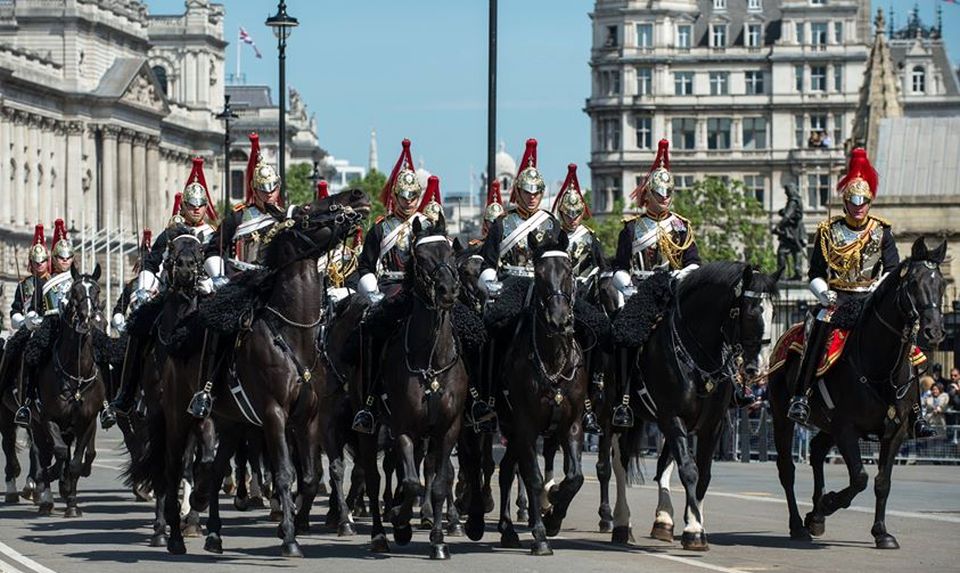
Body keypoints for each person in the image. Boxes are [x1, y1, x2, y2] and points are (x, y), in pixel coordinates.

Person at [787, 148, 935, 438]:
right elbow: (815, 272)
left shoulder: (882, 232)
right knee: (818, 331)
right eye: (853, 201)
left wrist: (876, 291)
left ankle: (917, 412)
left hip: (871, 298)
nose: (858, 206)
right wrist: (822, 293)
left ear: (869, 202)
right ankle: (801, 397)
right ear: (845, 202)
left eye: (863, 201)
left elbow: (893, 270)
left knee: (906, 346)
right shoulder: (828, 231)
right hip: (837, 299)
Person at [609, 139, 739, 428]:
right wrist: (627, 286)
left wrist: (682, 275)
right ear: (648, 194)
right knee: (623, 337)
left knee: (714, 330)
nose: (665, 197)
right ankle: (623, 400)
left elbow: (694, 261)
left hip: (675, 292)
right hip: (641, 294)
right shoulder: (632, 228)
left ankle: (730, 389)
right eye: (659, 192)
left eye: (669, 192)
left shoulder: (682, 226)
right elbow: (620, 266)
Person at [102, 157, 218, 427]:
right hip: (170, 295)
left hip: (202, 296)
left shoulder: (213, 235)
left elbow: (220, 266)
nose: (197, 210)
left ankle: (218, 390)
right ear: (184, 207)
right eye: (192, 206)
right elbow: (151, 263)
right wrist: (142, 290)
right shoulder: (170, 235)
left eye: (201, 205)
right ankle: (126, 393)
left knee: (225, 332)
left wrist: (213, 283)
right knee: (138, 329)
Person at [350, 139, 436, 434]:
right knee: (371, 334)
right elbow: (365, 266)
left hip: (426, 293)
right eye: (404, 196)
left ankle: (473, 397)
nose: (409, 201)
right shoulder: (380, 228)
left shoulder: (431, 226)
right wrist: (373, 292)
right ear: (394, 196)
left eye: (414, 195)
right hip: (390, 289)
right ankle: (369, 402)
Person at [552, 163, 605, 434]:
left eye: (576, 212)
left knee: (599, 337)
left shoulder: (590, 238)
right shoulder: (552, 235)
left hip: (583, 298)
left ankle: (596, 383)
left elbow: (602, 267)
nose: (572, 217)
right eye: (568, 212)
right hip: (556, 298)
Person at [14, 219, 75, 426]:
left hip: (73, 325)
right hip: (46, 324)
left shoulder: (76, 281)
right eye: (61, 257)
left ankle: (106, 401)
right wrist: (28, 318)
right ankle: (27, 398)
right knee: (27, 352)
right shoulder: (35, 285)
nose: (64, 261)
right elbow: (34, 307)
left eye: (68, 257)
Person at [6, 225, 50, 426]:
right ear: (30, 263)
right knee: (10, 351)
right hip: (28, 328)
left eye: (42, 262)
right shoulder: (24, 285)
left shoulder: (54, 282)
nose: (39, 265)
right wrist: (23, 321)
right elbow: (15, 310)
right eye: (35, 262)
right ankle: (11, 391)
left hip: (49, 327)